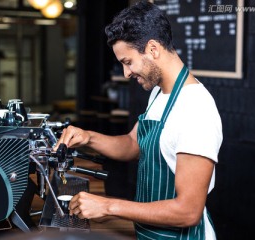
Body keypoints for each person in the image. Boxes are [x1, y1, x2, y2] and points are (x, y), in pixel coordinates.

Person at [54, 1, 223, 239]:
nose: (126, 73)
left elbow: (188, 211)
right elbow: (134, 145)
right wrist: (88, 137)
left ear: (153, 49)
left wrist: (108, 206)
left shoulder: (195, 110)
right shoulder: (159, 92)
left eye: (127, 62)